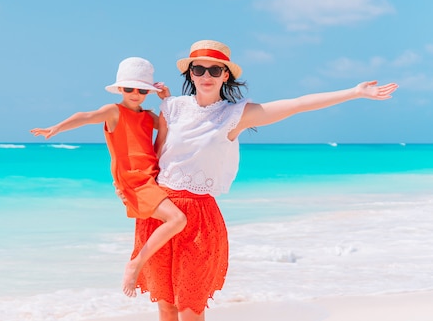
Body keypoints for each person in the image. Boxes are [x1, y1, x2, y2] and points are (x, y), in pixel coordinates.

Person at [129, 39, 398, 321]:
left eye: (214, 70)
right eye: (199, 69)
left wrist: (355, 92)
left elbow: (296, 105)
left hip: (199, 218)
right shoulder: (172, 107)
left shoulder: (235, 115)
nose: (206, 76)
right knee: (166, 306)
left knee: (190, 309)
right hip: (161, 213)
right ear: (190, 74)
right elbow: (153, 158)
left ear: (226, 75)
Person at [29, 56, 187, 297]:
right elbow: (84, 116)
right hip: (134, 180)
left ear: (148, 92)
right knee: (177, 219)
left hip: (153, 176)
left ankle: (157, 274)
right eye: (128, 88)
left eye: (142, 89)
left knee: (176, 222)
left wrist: (167, 99)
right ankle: (135, 264)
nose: (135, 93)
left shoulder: (147, 116)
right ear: (120, 89)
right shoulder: (114, 112)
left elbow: (172, 127)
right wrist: (56, 128)